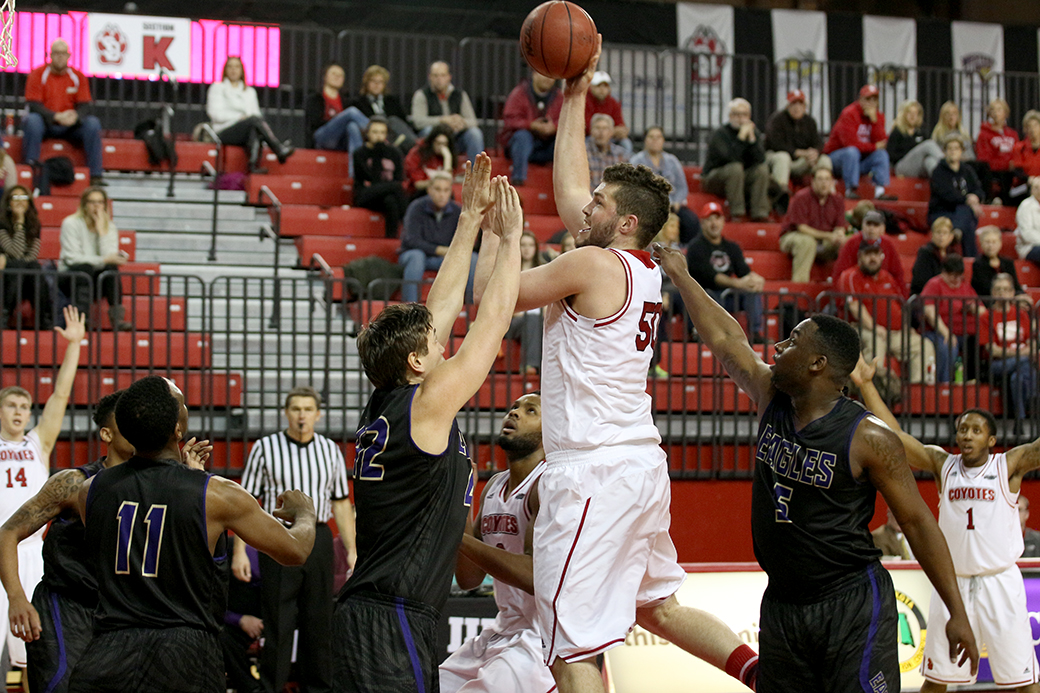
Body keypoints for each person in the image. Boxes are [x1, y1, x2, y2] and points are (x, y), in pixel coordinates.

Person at [474, 40, 761, 693]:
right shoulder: (643, 268)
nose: (584, 207)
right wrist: (575, 93)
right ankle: (760, 672)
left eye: (599, 204)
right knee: (657, 607)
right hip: (640, 466)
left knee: (569, 642)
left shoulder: (595, 264)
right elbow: (573, 184)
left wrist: (495, 235)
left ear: (625, 220)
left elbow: (500, 297)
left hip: (592, 474)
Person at [654, 240, 979, 690]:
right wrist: (682, 276)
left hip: (850, 602)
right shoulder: (772, 396)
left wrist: (957, 613)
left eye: (791, 341)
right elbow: (728, 340)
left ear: (817, 364)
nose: (778, 344)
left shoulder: (868, 437)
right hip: (783, 604)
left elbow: (919, 523)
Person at [333, 156, 523, 693]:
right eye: (435, 345)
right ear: (418, 363)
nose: (444, 343)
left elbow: (437, 311)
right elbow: (492, 323)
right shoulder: (426, 402)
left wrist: (468, 220)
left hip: (376, 612)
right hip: (392, 616)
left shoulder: (394, 398)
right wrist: (507, 240)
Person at [67, 376, 317, 693]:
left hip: (107, 651)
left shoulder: (89, 491)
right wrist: (305, 512)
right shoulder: (216, 495)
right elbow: (295, 551)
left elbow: (150, 518)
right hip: (183, 653)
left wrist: (185, 478)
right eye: (183, 403)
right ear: (177, 430)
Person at [852, 373, 1039, 693]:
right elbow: (894, 435)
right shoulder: (943, 465)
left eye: (976, 430)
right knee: (937, 681)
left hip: (1000, 583)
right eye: (963, 429)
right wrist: (867, 384)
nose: (967, 435)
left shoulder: (1007, 466)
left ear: (991, 440)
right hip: (952, 584)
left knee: (1022, 681)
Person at [0, 390, 143, 693]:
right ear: (106, 433)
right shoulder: (73, 483)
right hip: (67, 606)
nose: (136, 425)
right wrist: (16, 597)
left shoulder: (155, 484)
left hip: (120, 610)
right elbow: (8, 532)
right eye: (126, 420)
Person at [237, 386, 356, 693]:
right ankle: (271, 688)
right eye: (296, 408)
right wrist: (239, 550)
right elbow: (246, 501)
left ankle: (317, 687)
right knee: (279, 618)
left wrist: (352, 549)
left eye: (307, 409)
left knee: (319, 619)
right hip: (278, 537)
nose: (301, 414)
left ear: (318, 414)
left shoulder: (330, 449)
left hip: (318, 536)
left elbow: (341, 501)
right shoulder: (265, 447)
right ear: (286, 412)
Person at [439, 392, 555, 693]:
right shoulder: (494, 486)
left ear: (551, 429)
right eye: (513, 406)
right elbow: (468, 578)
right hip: (503, 629)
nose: (514, 413)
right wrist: (460, 500)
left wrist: (454, 535)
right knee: (433, 683)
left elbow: (534, 576)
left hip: (542, 637)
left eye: (531, 411)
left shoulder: (547, 485)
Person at [0, 305, 83, 683]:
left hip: (31, 554)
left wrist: (74, 346)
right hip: (2, 547)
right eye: (11, 405)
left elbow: (61, 394)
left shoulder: (38, 442)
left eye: (24, 406)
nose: (19, 412)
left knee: (36, 655)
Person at [837, 238, 935, 385]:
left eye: (876, 254)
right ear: (860, 257)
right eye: (868, 254)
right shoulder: (850, 276)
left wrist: (907, 328)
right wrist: (875, 328)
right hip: (862, 329)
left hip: (894, 333)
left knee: (924, 345)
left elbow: (899, 306)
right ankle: (874, 390)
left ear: (882, 256)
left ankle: (917, 391)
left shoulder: (887, 277)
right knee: (876, 342)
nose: (873, 258)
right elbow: (855, 307)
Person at [22, 40, 104, 186]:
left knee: (93, 123)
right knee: (32, 120)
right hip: (46, 123)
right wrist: (55, 116)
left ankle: (95, 175)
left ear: (68, 56)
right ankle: (30, 169)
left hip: (70, 125)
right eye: (57, 53)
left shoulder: (78, 77)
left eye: (63, 53)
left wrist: (75, 116)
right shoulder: (37, 74)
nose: (60, 57)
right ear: (50, 55)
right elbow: (34, 105)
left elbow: (85, 105)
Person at [686, 201, 764, 343]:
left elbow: (743, 271)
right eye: (709, 219)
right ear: (702, 223)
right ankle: (706, 335)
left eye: (717, 218)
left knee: (752, 291)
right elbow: (710, 276)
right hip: (706, 296)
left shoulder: (732, 247)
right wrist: (738, 283)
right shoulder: (695, 247)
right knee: (705, 295)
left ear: (723, 222)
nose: (714, 223)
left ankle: (756, 333)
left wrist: (756, 280)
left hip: (728, 297)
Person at [58, 186, 131, 331]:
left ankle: (117, 319)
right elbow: (72, 258)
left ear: (105, 205)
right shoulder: (71, 223)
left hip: (95, 277)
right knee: (86, 268)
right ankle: (81, 320)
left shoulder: (108, 227)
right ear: (84, 205)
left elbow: (109, 256)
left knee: (111, 270)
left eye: (100, 202)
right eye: (92, 202)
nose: (96, 206)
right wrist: (103, 260)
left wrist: (101, 231)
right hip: (70, 275)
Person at [206, 57, 294, 173]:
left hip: (247, 129)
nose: (233, 70)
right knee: (253, 121)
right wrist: (239, 118)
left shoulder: (250, 92)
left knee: (255, 127)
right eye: (230, 67)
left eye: (237, 67)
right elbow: (215, 114)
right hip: (224, 130)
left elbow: (256, 115)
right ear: (225, 70)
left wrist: (246, 120)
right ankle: (278, 148)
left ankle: (253, 167)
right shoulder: (217, 88)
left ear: (242, 70)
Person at [398, 172, 472, 304]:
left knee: (473, 258)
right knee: (416, 257)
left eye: (446, 190)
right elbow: (411, 240)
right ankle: (410, 307)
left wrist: (450, 252)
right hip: (416, 255)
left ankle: (471, 308)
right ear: (429, 190)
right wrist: (439, 250)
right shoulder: (416, 207)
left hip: (445, 258)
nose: (442, 194)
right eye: (438, 189)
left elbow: (465, 241)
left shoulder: (458, 211)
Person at [701, 98, 771, 221]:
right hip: (715, 179)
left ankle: (760, 213)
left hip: (739, 180)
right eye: (736, 114)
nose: (740, 118)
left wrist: (752, 140)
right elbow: (730, 158)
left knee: (761, 170)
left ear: (749, 116)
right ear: (730, 116)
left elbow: (761, 160)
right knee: (735, 168)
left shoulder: (754, 132)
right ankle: (737, 213)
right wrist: (741, 137)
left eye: (744, 115)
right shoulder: (720, 133)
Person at [823, 85, 896, 201]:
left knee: (881, 154)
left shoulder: (878, 116)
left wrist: (874, 122)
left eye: (874, 99)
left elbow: (882, 143)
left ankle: (880, 192)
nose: (871, 103)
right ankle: (850, 190)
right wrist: (874, 146)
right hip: (837, 160)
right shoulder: (849, 113)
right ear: (860, 100)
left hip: (859, 161)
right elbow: (850, 143)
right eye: (868, 99)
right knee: (852, 152)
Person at [921, 254, 986, 383]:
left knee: (981, 342)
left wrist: (973, 308)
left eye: (958, 275)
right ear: (943, 272)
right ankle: (944, 384)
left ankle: (973, 381)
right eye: (952, 275)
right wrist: (946, 333)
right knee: (948, 345)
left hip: (966, 332)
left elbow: (982, 311)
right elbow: (930, 312)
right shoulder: (934, 285)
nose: (956, 279)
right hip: (937, 332)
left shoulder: (965, 286)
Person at [630, 126, 700, 243]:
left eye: (658, 137)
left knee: (691, 221)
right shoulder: (636, 161)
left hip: (672, 205)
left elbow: (682, 187)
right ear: (645, 140)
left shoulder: (672, 160)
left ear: (663, 140)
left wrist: (677, 201)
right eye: (651, 137)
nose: (655, 140)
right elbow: (634, 188)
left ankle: (683, 250)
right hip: (648, 207)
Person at [780, 166, 847, 282]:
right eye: (820, 179)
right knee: (807, 242)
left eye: (827, 179)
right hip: (794, 236)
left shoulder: (838, 200)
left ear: (832, 182)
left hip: (824, 240)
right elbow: (801, 228)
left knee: (850, 241)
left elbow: (840, 226)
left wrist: (839, 235)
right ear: (813, 182)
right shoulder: (801, 197)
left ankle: (842, 285)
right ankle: (800, 288)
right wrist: (829, 236)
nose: (824, 183)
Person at [410, 61, 483, 164]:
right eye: (435, 76)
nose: (439, 79)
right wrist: (443, 120)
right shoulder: (421, 95)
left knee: (475, 133)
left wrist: (460, 122)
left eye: (443, 75)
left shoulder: (460, 94)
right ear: (429, 77)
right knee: (427, 131)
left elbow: (473, 121)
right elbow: (418, 121)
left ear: (449, 77)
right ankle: (427, 168)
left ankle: (475, 173)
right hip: (433, 139)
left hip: (455, 139)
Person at [985, 273, 1035, 422]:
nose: (1002, 293)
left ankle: (1019, 421)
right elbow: (992, 349)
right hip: (996, 365)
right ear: (992, 292)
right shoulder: (986, 316)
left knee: (1017, 378)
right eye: (998, 289)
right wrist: (1020, 353)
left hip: (1017, 363)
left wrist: (1018, 353)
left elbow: (1032, 344)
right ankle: (1034, 397)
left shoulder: (1022, 314)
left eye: (1006, 289)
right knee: (1026, 362)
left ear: (1013, 293)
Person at [0, 185, 52, 329]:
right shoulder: (1, 224)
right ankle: (4, 316)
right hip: (6, 278)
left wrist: (22, 224)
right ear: (8, 202)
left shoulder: (35, 224)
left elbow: (32, 255)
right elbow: (16, 252)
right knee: (18, 265)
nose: (19, 201)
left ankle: (43, 320)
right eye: (15, 197)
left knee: (33, 267)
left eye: (23, 197)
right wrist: (19, 224)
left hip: (25, 278)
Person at [499, 71, 562, 187]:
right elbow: (510, 120)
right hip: (522, 145)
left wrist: (554, 127)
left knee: (565, 142)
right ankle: (518, 180)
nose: (548, 79)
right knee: (522, 136)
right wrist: (531, 125)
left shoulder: (559, 96)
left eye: (551, 76)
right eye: (544, 74)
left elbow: (567, 119)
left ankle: (563, 184)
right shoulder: (519, 93)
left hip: (548, 144)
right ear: (534, 74)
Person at [304, 62, 370, 173]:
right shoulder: (315, 98)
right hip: (322, 137)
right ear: (325, 77)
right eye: (334, 73)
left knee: (352, 127)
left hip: (341, 141)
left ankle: (355, 175)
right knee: (351, 112)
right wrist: (338, 121)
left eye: (341, 75)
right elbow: (314, 123)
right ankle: (378, 132)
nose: (337, 77)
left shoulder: (347, 101)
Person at [352, 116, 408, 238]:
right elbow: (372, 180)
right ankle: (408, 225)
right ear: (367, 133)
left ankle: (391, 238)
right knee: (396, 188)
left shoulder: (395, 153)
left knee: (391, 202)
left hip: (388, 194)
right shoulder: (359, 153)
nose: (379, 136)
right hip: (366, 194)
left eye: (382, 132)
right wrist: (378, 152)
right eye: (375, 132)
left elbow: (399, 177)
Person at [764, 89, 829, 191]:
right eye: (794, 104)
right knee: (783, 157)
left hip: (801, 161)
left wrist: (815, 152)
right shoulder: (777, 120)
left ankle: (828, 193)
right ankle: (781, 194)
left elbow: (818, 141)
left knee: (825, 160)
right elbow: (775, 144)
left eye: (800, 104)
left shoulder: (809, 121)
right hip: (778, 158)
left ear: (805, 107)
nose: (797, 107)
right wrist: (798, 152)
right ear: (788, 106)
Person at [929, 135, 983, 258]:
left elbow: (979, 190)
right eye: (950, 148)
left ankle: (958, 231)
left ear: (961, 151)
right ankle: (971, 260)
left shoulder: (967, 170)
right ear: (944, 151)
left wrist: (975, 197)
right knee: (968, 223)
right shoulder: (938, 172)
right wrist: (968, 200)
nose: (953, 151)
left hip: (961, 213)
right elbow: (946, 196)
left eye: (956, 148)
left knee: (965, 211)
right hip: (942, 212)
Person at [222, 538, 262, 693]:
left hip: (276, 616)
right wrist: (240, 620)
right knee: (221, 636)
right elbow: (209, 603)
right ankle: (252, 689)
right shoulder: (225, 549)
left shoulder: (285, 549)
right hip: (234, 621)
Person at [350, 65, 417, 154]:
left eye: (380, 82)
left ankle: (414, 146)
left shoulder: (392, 101)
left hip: (394, 137)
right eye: (373, 81)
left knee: (393, 120)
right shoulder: (357, 103)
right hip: (370, 136)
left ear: (384, 85)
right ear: (367, 83)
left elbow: (403, 122)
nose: (377, 85)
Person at [503, 231, 544, 374]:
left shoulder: (544, 271)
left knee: (535, 320)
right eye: (523, 245)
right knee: (532, 319)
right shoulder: (507, 271)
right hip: (512, 322)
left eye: (531, 245)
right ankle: (530, 366)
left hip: (537, 320)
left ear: (536, 248)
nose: (527, 249)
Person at [831, 210, 904, 288]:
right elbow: (839, 274)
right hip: (858, 290)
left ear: (883, 229)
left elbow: (897, 274)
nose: (871, 228)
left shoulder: (887, 244)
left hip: (880, 289)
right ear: (862, 226)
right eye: (868, 224)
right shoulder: (852, 243)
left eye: (876, 225)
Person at [932, 100, 989, 198]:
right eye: (948, 114)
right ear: (942, 116)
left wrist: (962, 157)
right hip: (948, 164)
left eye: (954, 113)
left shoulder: (964, 134)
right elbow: (937, 154)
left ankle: (985, 198)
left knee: (983, 166)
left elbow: (971, 155)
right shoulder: (938, 135)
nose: (951, 117)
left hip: (965, 162)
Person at [976, 98, 1022, 205]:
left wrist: (1014, 163)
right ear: (990, 114)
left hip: (1011, 170)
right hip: (995, 170)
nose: (996, 113)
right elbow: (984, 157)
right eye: (994, 110)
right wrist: (1005, 163)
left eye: (999, 110)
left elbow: (1017, 152)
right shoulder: (984, 134)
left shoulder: (1013, 134)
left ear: (1005, 113)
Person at [888, 99, 945, 179]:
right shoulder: (897, 132)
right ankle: (947, 166)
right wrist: (910, 152)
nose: (912, 116)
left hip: (917, 167)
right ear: (904, 114)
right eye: (909, 113)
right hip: (901, 167)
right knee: (929, 144)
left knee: (929, 161)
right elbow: (891, 155)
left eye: (915, 113)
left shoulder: (920, 132)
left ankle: (944, 184)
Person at [584, 71, 632, 154]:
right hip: (588, 137)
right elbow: (586, 126)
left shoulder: (613, 102)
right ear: (590, 86)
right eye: (598, 86)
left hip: (610, 137)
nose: (602, 89)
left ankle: (626, 166)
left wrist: (622, 131)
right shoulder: (584, 101)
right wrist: (611, 130)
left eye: (605, 86)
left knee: (626, 143)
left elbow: (620, 124)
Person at [911, 216, 959, 296]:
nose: (941, 236)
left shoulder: (953, 254)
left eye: (945, 233)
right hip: (926, 296)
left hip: (948, 296)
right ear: (932, 235)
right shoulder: (925, 253)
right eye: (938, 232)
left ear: (951, 236)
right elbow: (921, 281)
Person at [404, 124, 456, 198]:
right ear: (432, 141)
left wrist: (448, 158)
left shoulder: (447, 155)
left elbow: (448, 182)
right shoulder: (417, 153)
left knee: (448, 194)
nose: (441, 147)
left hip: (436, 191)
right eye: (438, 143)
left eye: (444, 144)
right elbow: (418, 184)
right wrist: (437, 182)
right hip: (418, 193)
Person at [973, 226, 1024, 298]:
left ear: (1000, 243)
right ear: (981, 243)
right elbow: (984, 289)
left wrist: (1022, 296)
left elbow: (1016, 286)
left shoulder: (1008, 263)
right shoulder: (978, 264)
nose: (990, 245)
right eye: (987, 242)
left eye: (994, 242)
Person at [585, 114, 628, 191]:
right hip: (587, 198)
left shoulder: (620, 154)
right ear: (591, 131)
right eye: (597, 128)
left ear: (611, 132)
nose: (601, 132)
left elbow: (624, 183)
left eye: (605, 128)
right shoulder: (583, 152)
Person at [1015, 176, 1040, 266]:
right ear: (1032, 190)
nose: (1039, 190)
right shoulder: (1026, 206)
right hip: (1029, 247)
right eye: (1036, 188)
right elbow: (1027, 234)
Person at [1011, 111, 1040, 178]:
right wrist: (1031, 180)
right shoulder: (1019, 147)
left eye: (1035, 125)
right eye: (1029, 126)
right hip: (1025, 183)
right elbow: (1018, 171)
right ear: (1025, 129)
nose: (1033, 129)